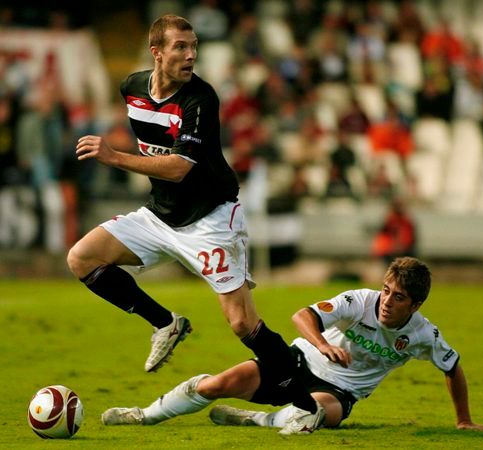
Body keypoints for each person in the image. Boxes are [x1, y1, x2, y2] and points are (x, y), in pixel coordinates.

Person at [66, 14, 322, 434]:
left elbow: (180, 168)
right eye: (180, 47)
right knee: (82, 258)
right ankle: (165, 322)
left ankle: (306, 404)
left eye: (194, 47)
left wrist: (115, 157)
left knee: (242, 323)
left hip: (211, 219)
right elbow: (155, 146)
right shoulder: (131, 86)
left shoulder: (200, 98)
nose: (190, 55)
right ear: (157, 53)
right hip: (160, 214)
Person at [101, 257, 483, 434]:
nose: (387, 301)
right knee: (215, 385)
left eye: (398, 297)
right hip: (297, 360)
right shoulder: (359, 301)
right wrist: (323, 344)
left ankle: (256, 419)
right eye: (386, 290)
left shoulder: (423, 335)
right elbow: (303, 315)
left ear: (415, 305)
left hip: (341, 391)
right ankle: (144, 415)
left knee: (315, 413)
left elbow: (452, 367)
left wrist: (463, 419)